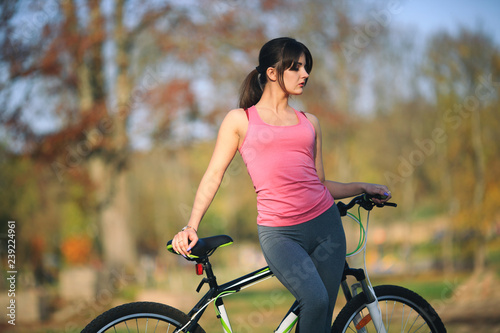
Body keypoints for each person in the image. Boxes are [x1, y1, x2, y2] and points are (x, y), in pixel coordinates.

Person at [172, 37, 391, 332]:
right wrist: (192, 226)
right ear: (273, 72)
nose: (305, 74)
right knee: (314, 299)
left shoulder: (309, 122)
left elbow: (320, 183)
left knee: (321, 316)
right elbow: (214, 175)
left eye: (306, 67)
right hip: (280, 235)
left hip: (327, 229)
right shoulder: (241, 120)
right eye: (297, 67)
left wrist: (362, 186)